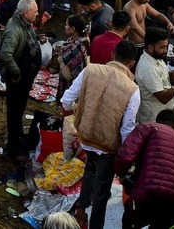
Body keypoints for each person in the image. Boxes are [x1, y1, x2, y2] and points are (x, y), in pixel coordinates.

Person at [61, 40, 139, 229]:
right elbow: (127, 128)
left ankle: (80, 213)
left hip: (86, 136)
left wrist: (77, 112)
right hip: (108, 146)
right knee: (102, 193)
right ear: (132, 64)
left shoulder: (90, 70)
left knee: (90, 169)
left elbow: (66, 100)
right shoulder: (132, 89)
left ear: (112, 55)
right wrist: (126, 156)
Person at [115, 109, 174, 229]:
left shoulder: (148, 127)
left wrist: (121, 174)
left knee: (129, 218)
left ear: (157, 121)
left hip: (150, 192)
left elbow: (125, 156)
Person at [0, 0, 41, 159]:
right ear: (26, 13)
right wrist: (16, 73)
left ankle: (17, 136)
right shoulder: (14, 29)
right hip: (18, 79)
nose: (37, 14)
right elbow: (5, 54)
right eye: (35, 11)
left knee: (19, 109)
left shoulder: (23, 23)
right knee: (15, 112)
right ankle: (14, 147)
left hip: (25, 77)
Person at [135, 27, 174, 122]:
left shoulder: (156, 57)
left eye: (166, 47)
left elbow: (169, 77)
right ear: (150, 47)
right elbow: (163, 98)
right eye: (162, 47)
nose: (166, 51)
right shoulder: (148, 68)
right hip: (154, 120)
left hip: (164, 116)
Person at [55, 14, 90, 107]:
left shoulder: (75, 48)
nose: (65, 26)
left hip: (71, 85)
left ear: (73, 29)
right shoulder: (81, 40)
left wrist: (60, 57)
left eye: (67, 24)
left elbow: (68, 75)